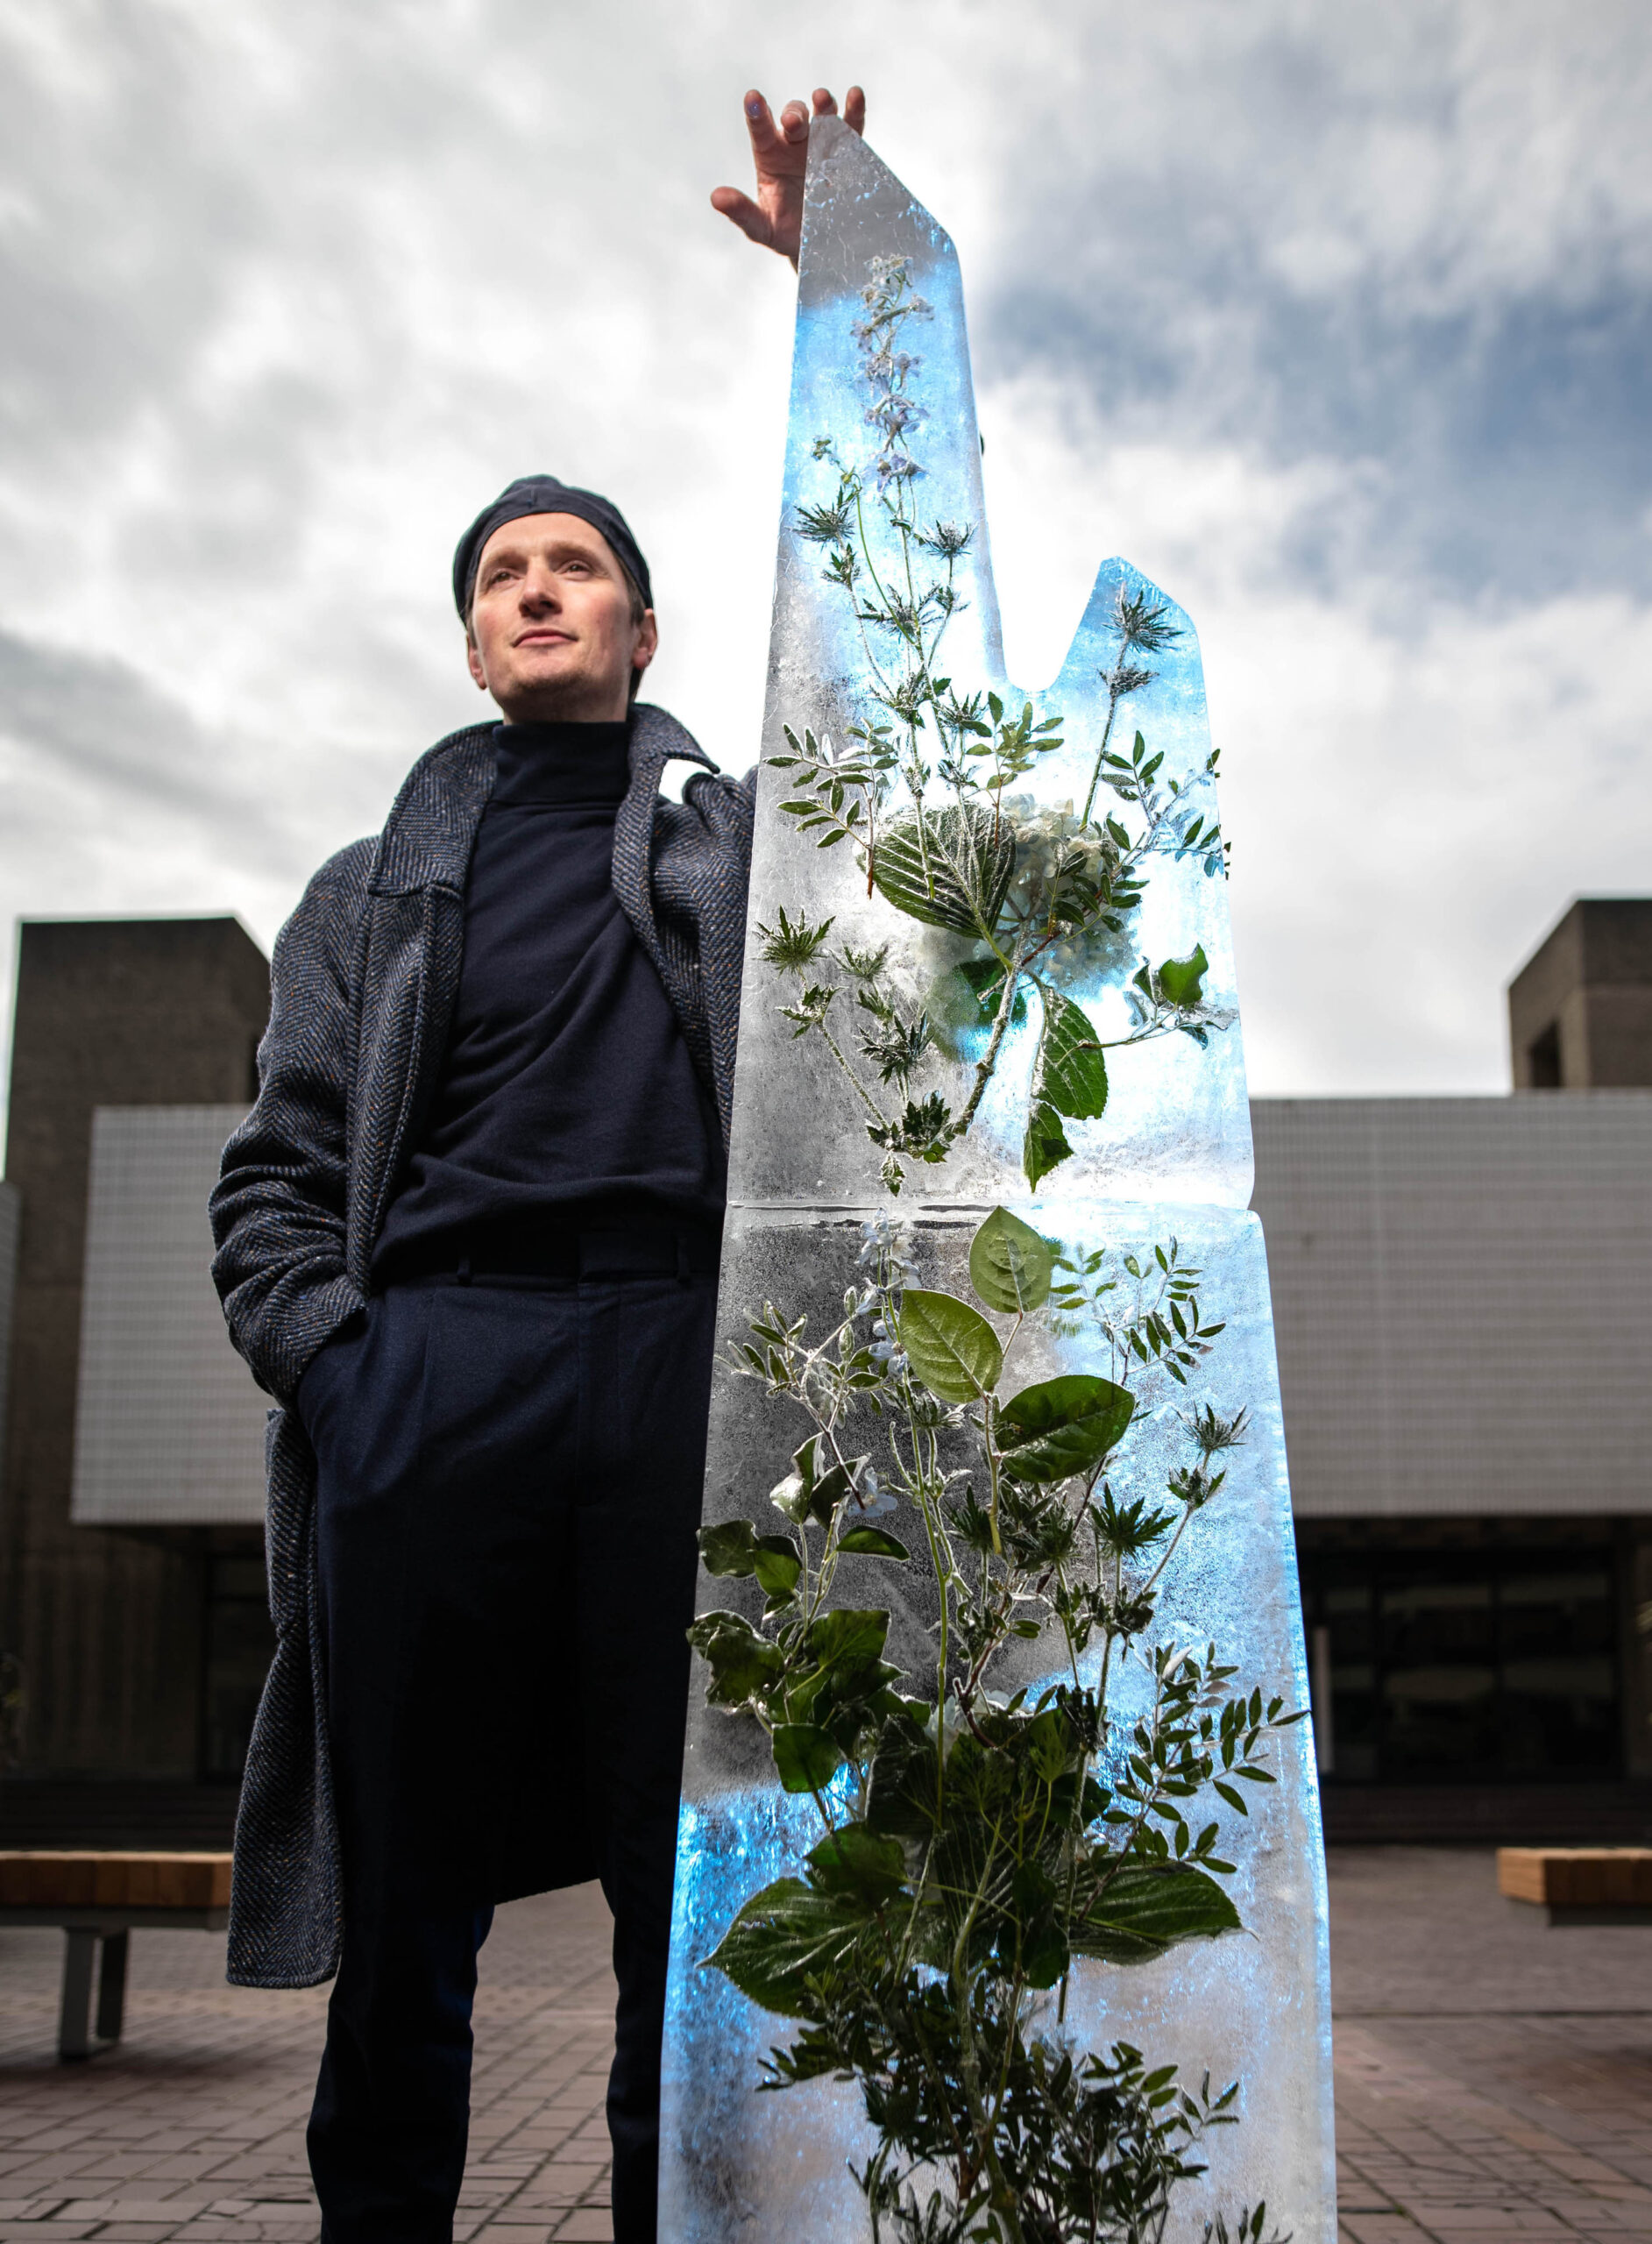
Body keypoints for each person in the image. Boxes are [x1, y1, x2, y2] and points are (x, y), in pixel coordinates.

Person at [209, 83, 866, 2244]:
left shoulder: (733, 843)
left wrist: (842, 301)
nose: (535, 588)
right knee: (403, 1923)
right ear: (473, 639)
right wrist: (344, 1365)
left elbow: (877, 671)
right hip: (438, 1375)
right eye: (502, 573)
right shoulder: (361, 891)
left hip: (683, 1370)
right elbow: (274, 1173)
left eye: (574, 560)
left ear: (643, 629)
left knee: (690, 1910)